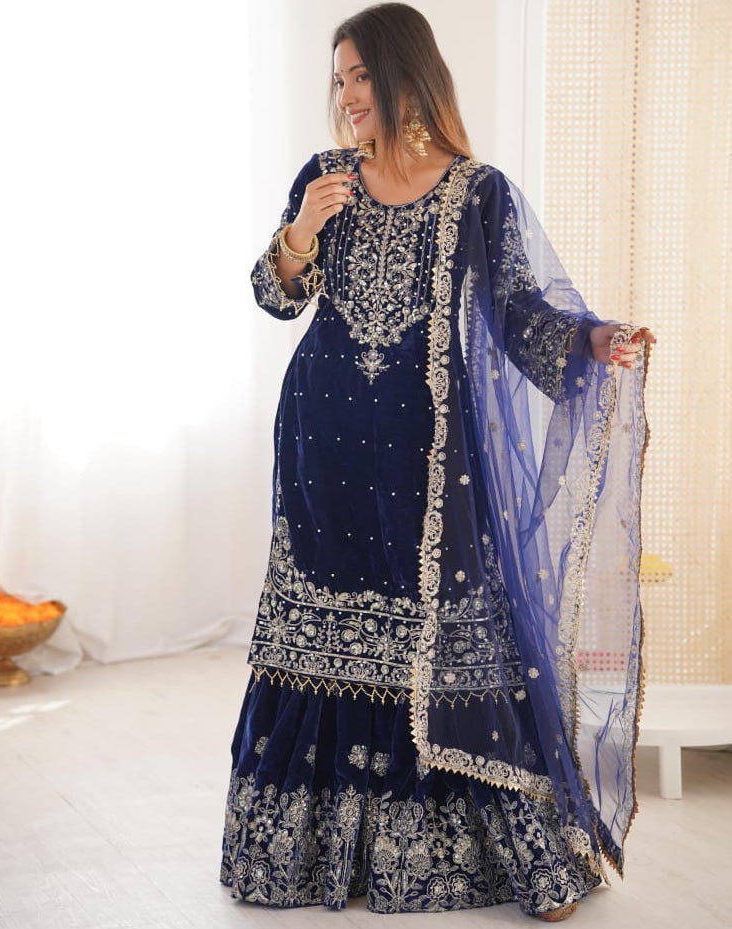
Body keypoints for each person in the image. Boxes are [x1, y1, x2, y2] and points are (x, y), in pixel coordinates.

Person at [220, 3, 655, 921]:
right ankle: (306, 854)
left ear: (401, 71)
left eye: (358, 76)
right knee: (322, 630)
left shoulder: (476, 191)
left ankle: (513, 853)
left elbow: (521, 315)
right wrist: (300, 229)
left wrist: (596, 340)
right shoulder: (325, 178)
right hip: (322, 442)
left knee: (453, 631)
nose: (344, 98)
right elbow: (272, 297)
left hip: (428, 460)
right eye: (336, 81)